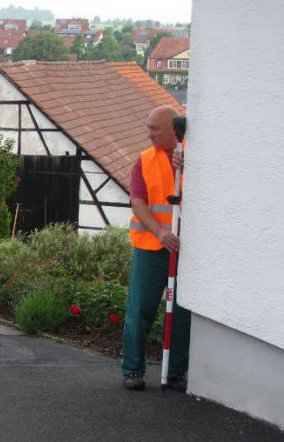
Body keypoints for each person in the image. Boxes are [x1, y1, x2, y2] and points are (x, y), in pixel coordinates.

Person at [122, 105, 190, 392]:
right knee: (140, 309)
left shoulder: (190, 157)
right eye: (148, 127)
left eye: (154, 128)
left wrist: (186, 167)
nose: (148, 134)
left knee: (182, 314)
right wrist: (161, 232)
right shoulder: (143, 161)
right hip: (151, 248)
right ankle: (133, 370)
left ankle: (175, 373)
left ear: (173, 130)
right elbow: (138, 202)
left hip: (186, 251)